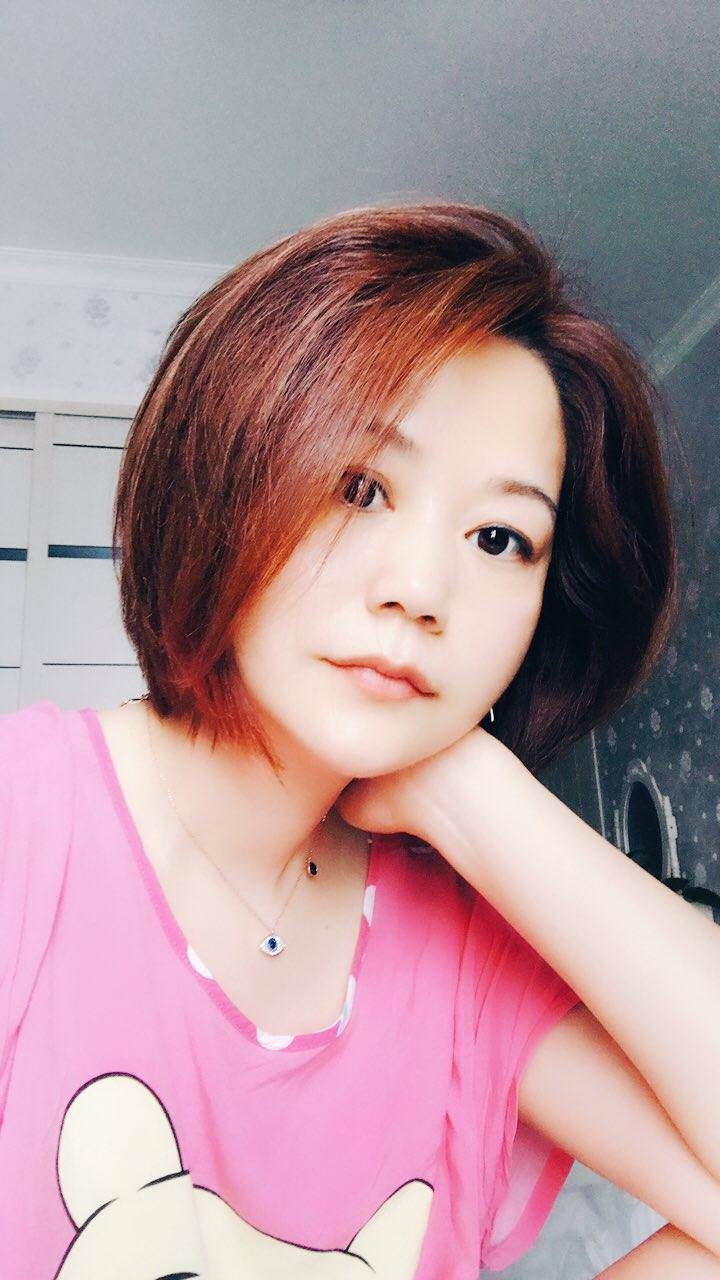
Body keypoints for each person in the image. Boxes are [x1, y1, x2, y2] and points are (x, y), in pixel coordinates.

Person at [0, 203, 685, 1278]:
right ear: (227, 470)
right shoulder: (26, 821)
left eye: (499, 537)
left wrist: (470, 790)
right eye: (362, 487)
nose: (421, 589)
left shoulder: (465, 950)